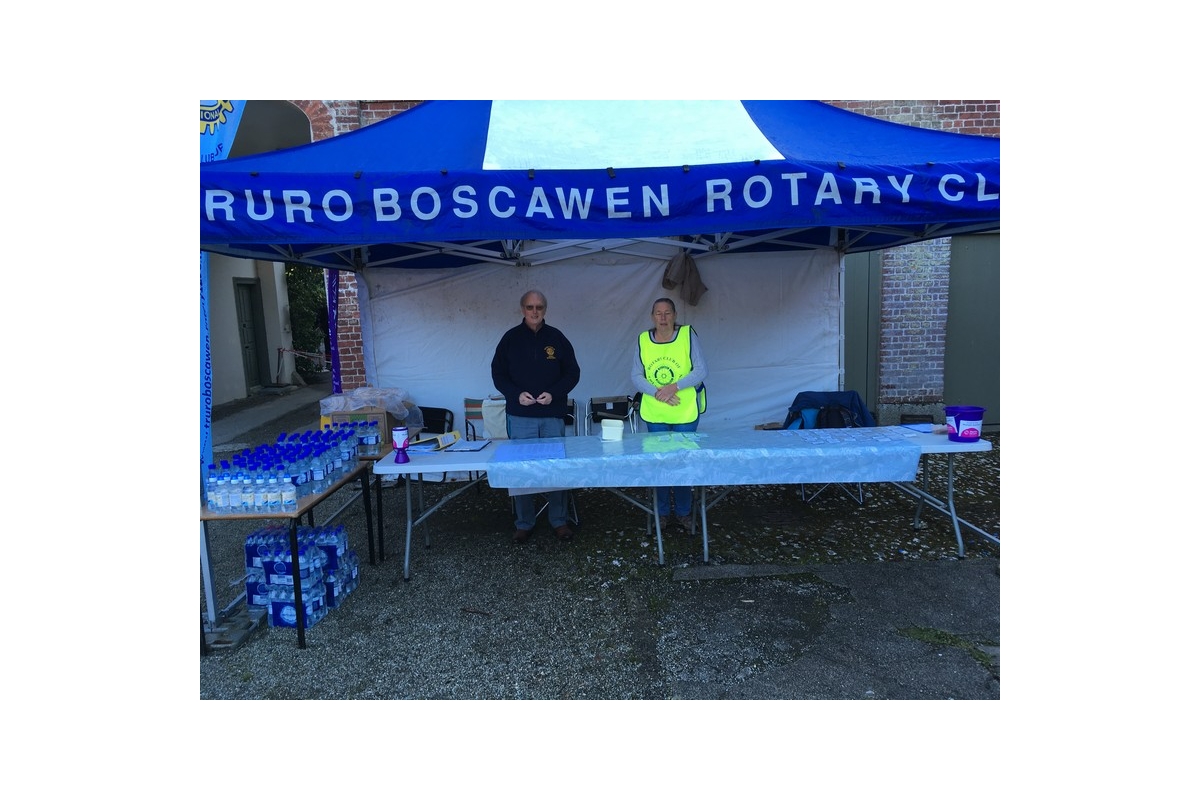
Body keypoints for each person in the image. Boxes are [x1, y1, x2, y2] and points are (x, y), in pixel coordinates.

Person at [491, 289, 581, 543]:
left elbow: (573, 373)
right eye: (530, 307)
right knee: (521, 469)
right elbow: (498, 374)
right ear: (522, 309)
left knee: (556, 467)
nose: (534, 311)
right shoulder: (510, 338)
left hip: (552, 414)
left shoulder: (557, 337)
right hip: (520, 416)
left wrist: (554, 394)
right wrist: (514, 394)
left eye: (539, 307)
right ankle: (524, 522)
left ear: (545, 310)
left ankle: (559, 520)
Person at [631, 297, 709, 532]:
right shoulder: (643, 339)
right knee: (660, 463)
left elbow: (701, 370)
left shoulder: (687, 335)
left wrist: (673, 388)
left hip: (684, 412)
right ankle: (662, 512)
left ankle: (683, 512)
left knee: (683, 462)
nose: (663, 317)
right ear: (652, 316)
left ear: (675, 315)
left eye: (667, 313)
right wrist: (659, 393)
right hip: (656, 412)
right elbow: (636, 375)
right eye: (658, 313)